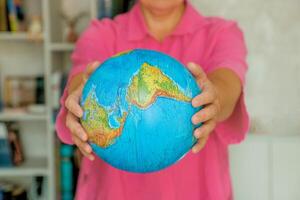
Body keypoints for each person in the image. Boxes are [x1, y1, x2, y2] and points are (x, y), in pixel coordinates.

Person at [55, 0, 249, 199]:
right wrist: (79, 93)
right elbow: (81, 77)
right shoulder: (101, 33)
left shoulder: (221, 33)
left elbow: (228, 83)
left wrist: (215, 97)